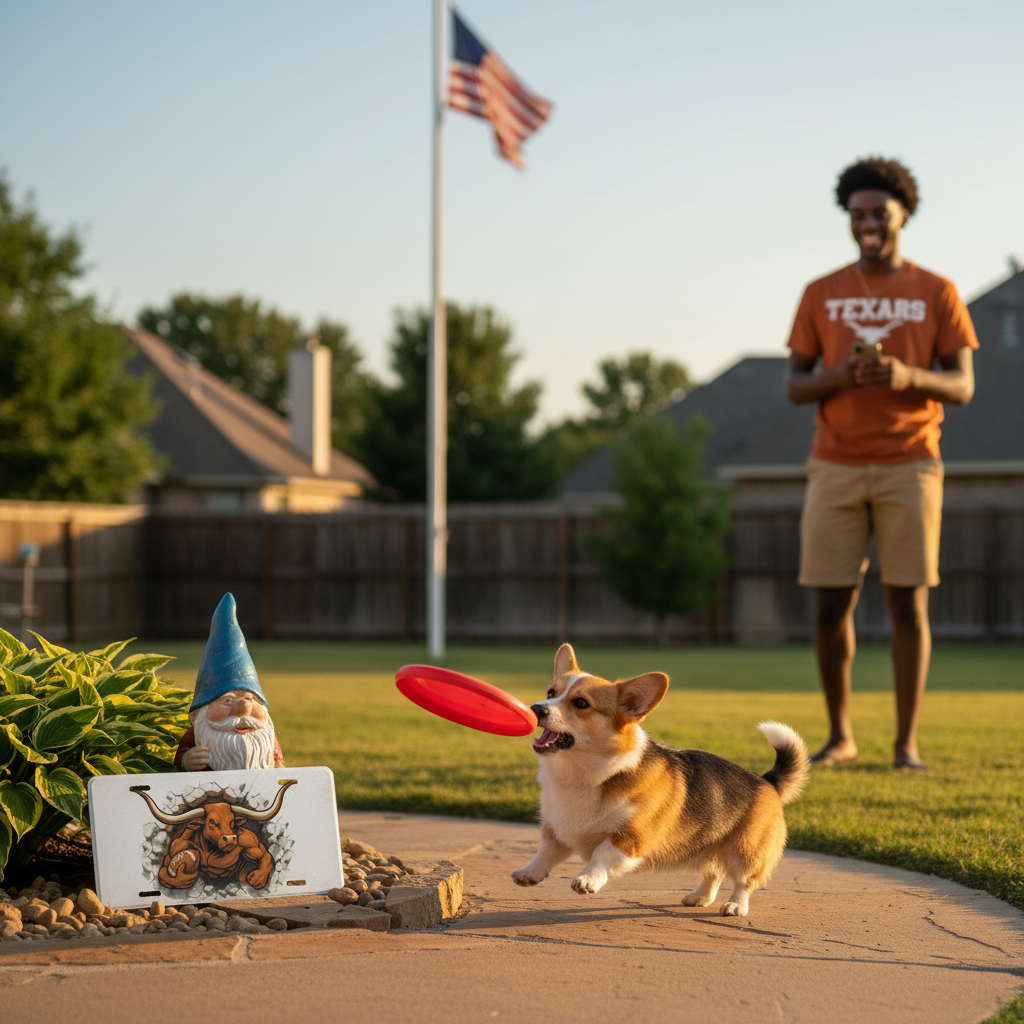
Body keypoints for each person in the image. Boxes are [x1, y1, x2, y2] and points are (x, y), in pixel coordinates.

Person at [786, 157, 977, 770]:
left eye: (879, 213)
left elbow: (963, 384)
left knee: (908, 604)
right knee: (830, 603)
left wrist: (905, 376)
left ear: (903, 215)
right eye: (857, 213)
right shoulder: (820, 292)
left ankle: (905, 746)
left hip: (910, 461)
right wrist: (841, 375)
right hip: (835, 463)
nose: (867, 223)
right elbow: (795, 385)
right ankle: (840, 736)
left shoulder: (937, 291)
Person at [175, 592, 285, 771]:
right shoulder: (195, 736)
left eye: (249, 698)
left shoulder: (265, 736)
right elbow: (181, 757)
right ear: (197, 716)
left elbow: (279, 764)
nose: (243, 709)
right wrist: (186, 759)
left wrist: (277, 766)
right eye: (227, 700)